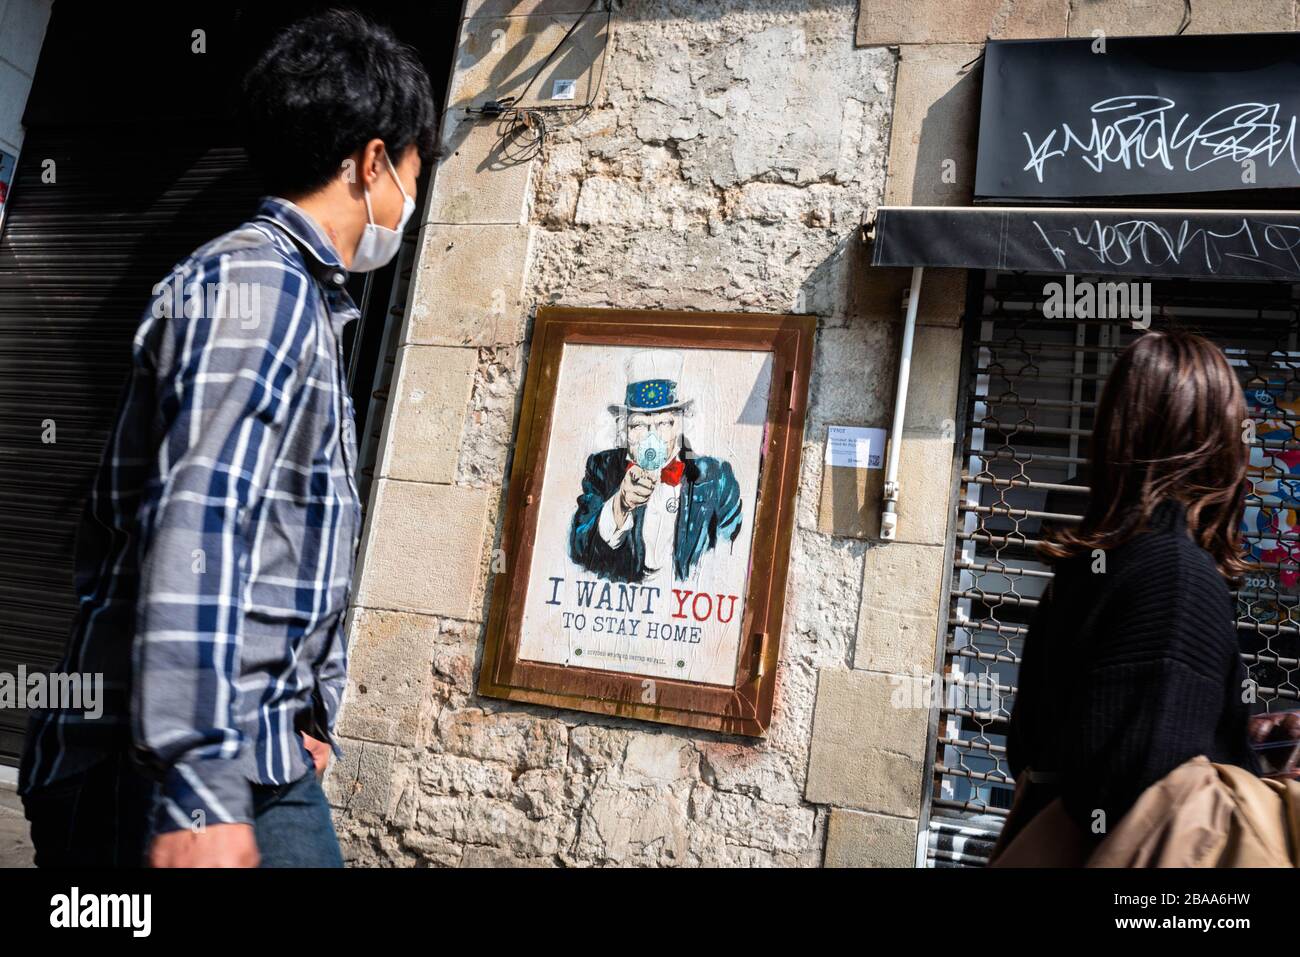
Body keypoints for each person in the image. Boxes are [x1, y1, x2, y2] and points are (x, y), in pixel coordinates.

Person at [18, 9, 437, 868]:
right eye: (414, 173)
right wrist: (199, 785)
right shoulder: (260, 286)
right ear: (370, 164)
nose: (411, 201)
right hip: (164, 772)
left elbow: (279, 543)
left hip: (255, 747)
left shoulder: (295, 298)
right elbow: (198, 523)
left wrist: (307, 713)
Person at [996, 330, 1274, 858]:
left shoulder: (1088, 571)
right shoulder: (1177, 580)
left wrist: (1243, 741)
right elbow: (1152, 806)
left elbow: (1039, 748)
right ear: (1215, 442)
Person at [569, 350, 743, 584]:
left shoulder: (716, 477)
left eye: (663, 423)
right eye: (639, 424)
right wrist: (620, 504)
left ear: (679, 424)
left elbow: (730, 558)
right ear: (624, 428)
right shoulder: (604, 467)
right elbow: (580, 549)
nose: (652, 436)